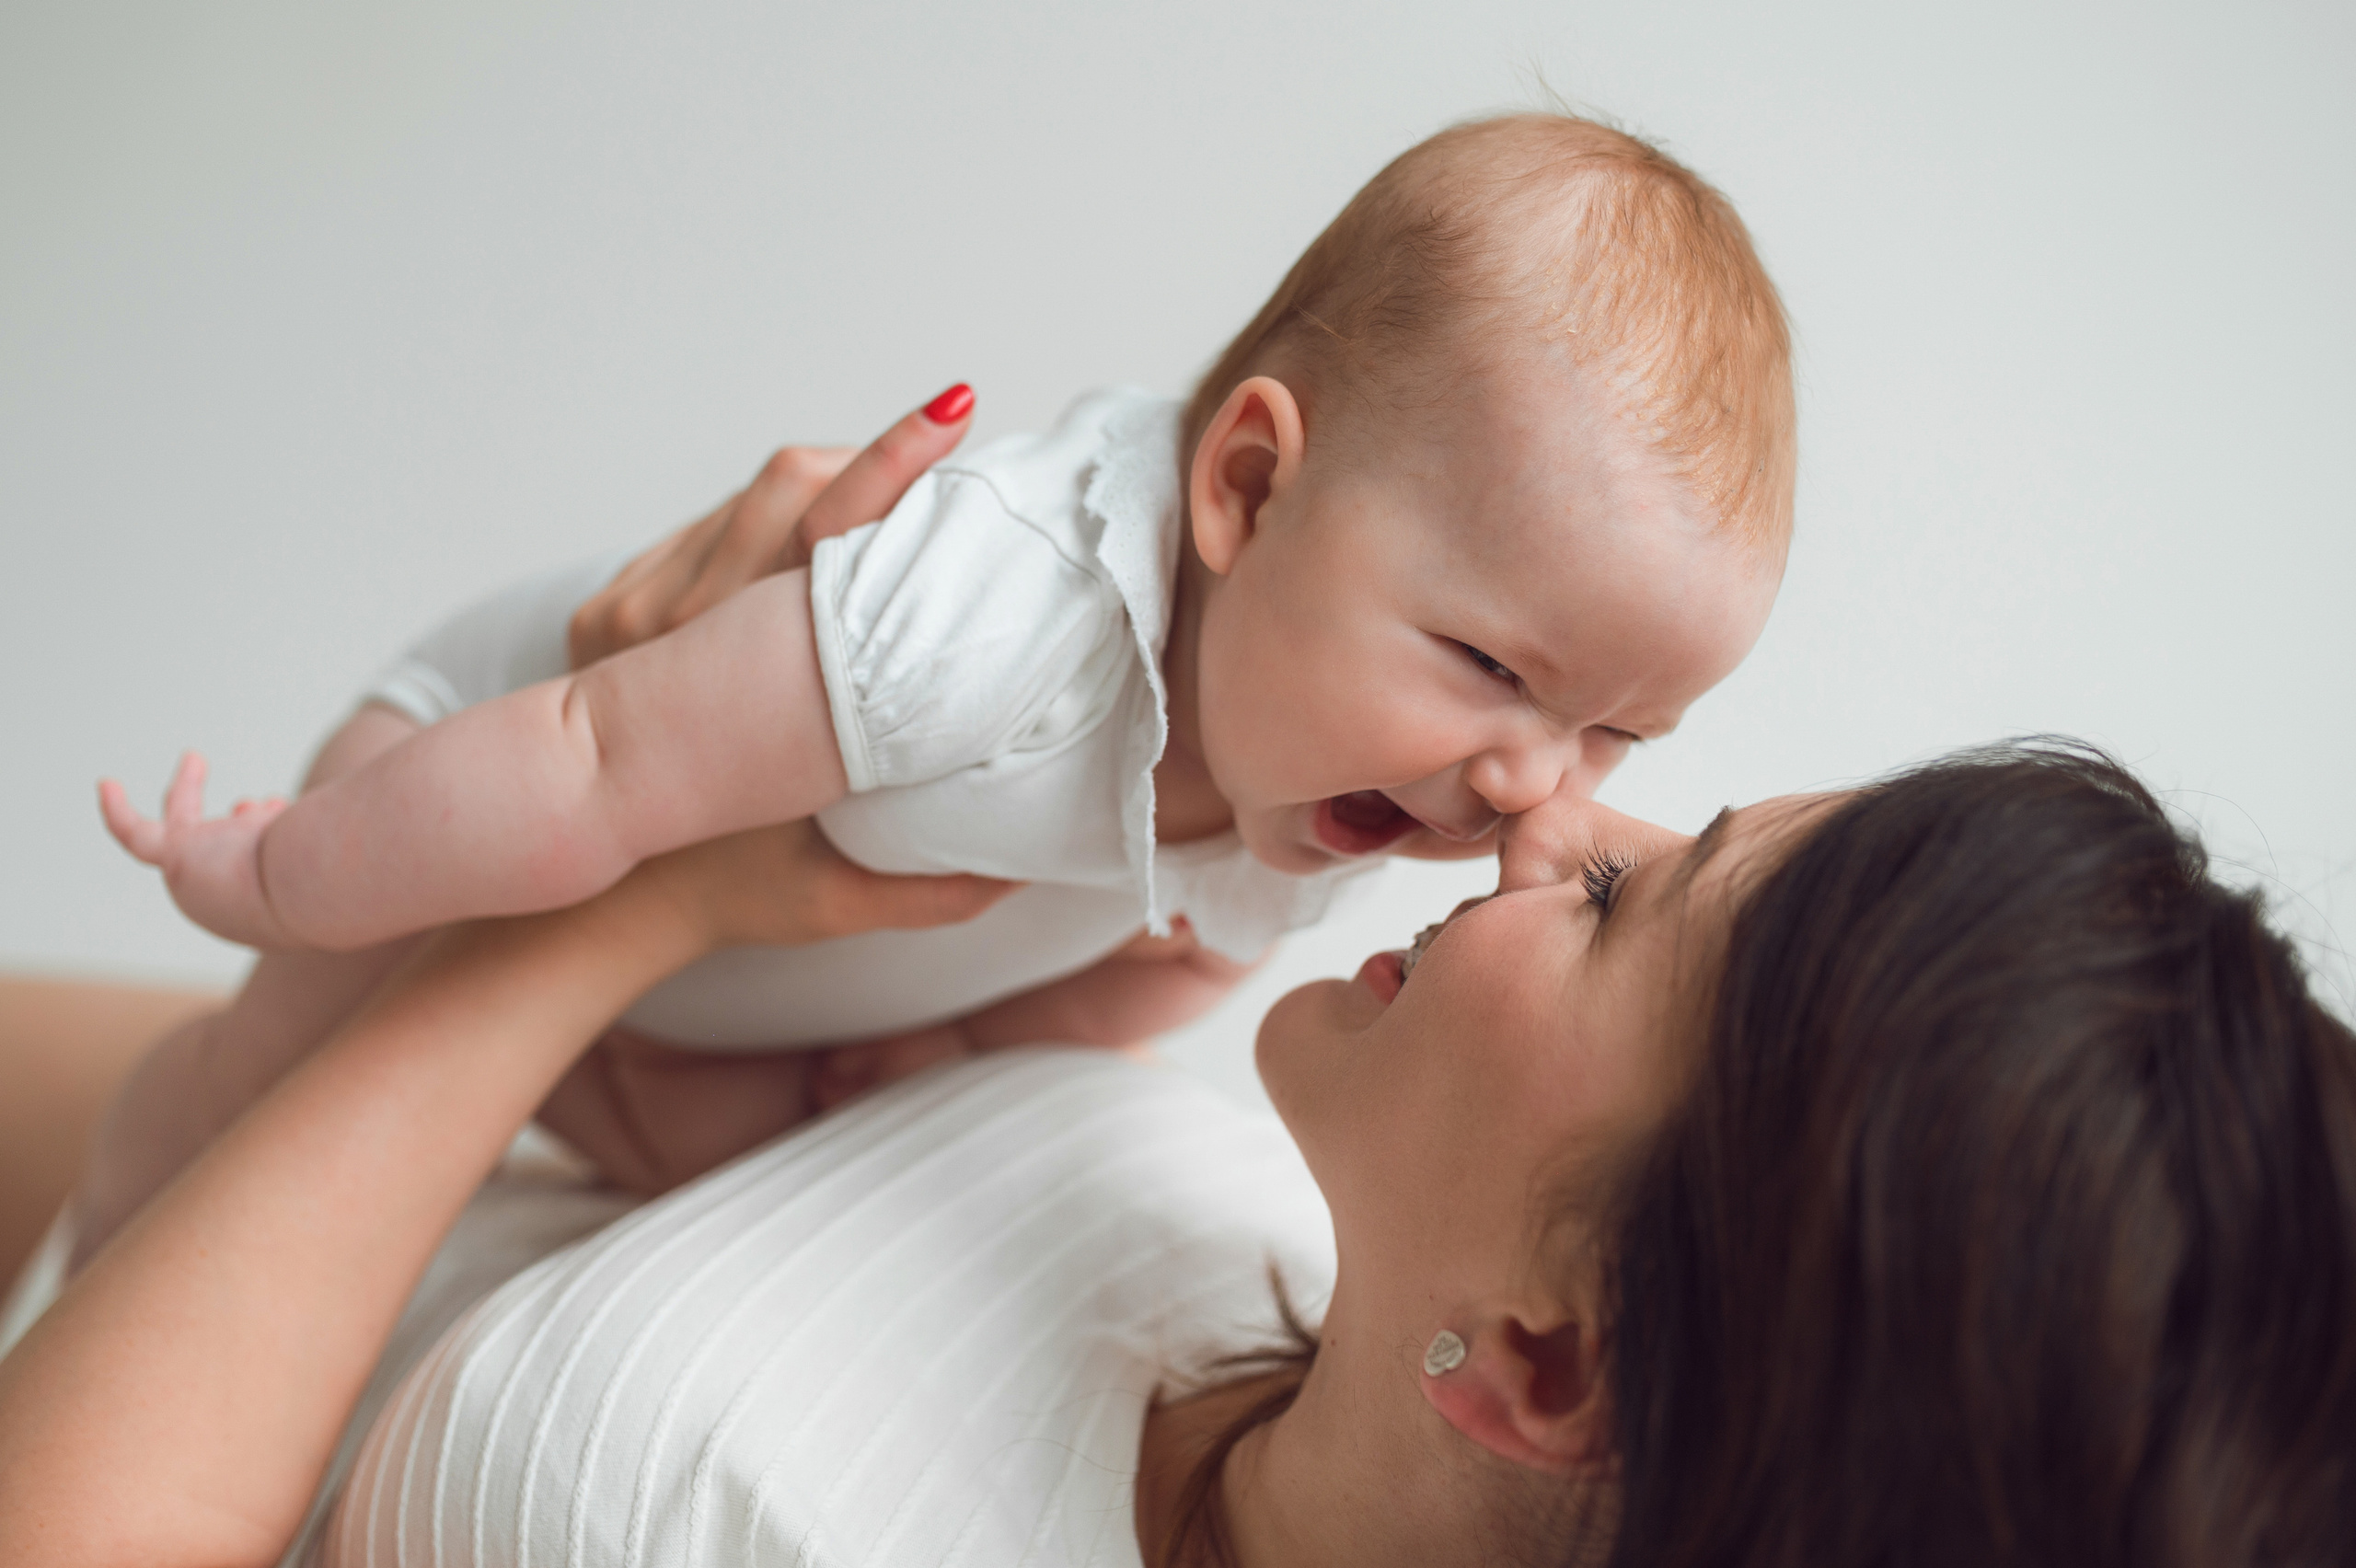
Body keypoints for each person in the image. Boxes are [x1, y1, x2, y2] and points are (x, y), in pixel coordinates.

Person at [6, 740, 2347, 1566]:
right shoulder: (1274, 1256)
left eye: (1624, 904)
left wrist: (600, 907)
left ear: (1550, 1361)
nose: (1552, 810)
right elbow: (506, 1214)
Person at [91, 110, 1792, 1183]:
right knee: (250, 1097)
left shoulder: (1338, 779)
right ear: (1248, 489)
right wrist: (286, 871)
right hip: (466, 782)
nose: (1530, 787)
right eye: (1494, 668)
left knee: (697, 1163)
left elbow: (1151, 971)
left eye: (1613, 735)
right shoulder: (1001, 615)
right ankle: (162, 1127)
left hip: (678, 1006)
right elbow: (596, 759)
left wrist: (931, 1066)